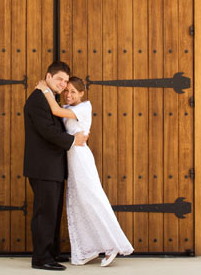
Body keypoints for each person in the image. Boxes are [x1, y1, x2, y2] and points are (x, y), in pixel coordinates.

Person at [35, 76, 133, 266]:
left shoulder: (83, 107)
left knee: (92, 199)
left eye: (73, 91)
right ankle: (88, 248)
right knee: (78, 204)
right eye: (66, 91)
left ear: (81, 93)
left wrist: (44, 89)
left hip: (81, 159)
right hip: (71, 159)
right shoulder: (70, 109)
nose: (68, 94)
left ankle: (112, 244)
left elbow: (55, 110)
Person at [24, 61, 88, 271]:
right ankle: (41, 258)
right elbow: (47, 131)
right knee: (45, 213)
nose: (63, 84)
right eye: (59, 79)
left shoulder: (48, 98)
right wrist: (72, 141)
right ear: (48, 77)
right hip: (43, 167)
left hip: (53, 167)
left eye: (66, 81)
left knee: (52, 212)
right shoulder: (37, 100)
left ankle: (51, 253)